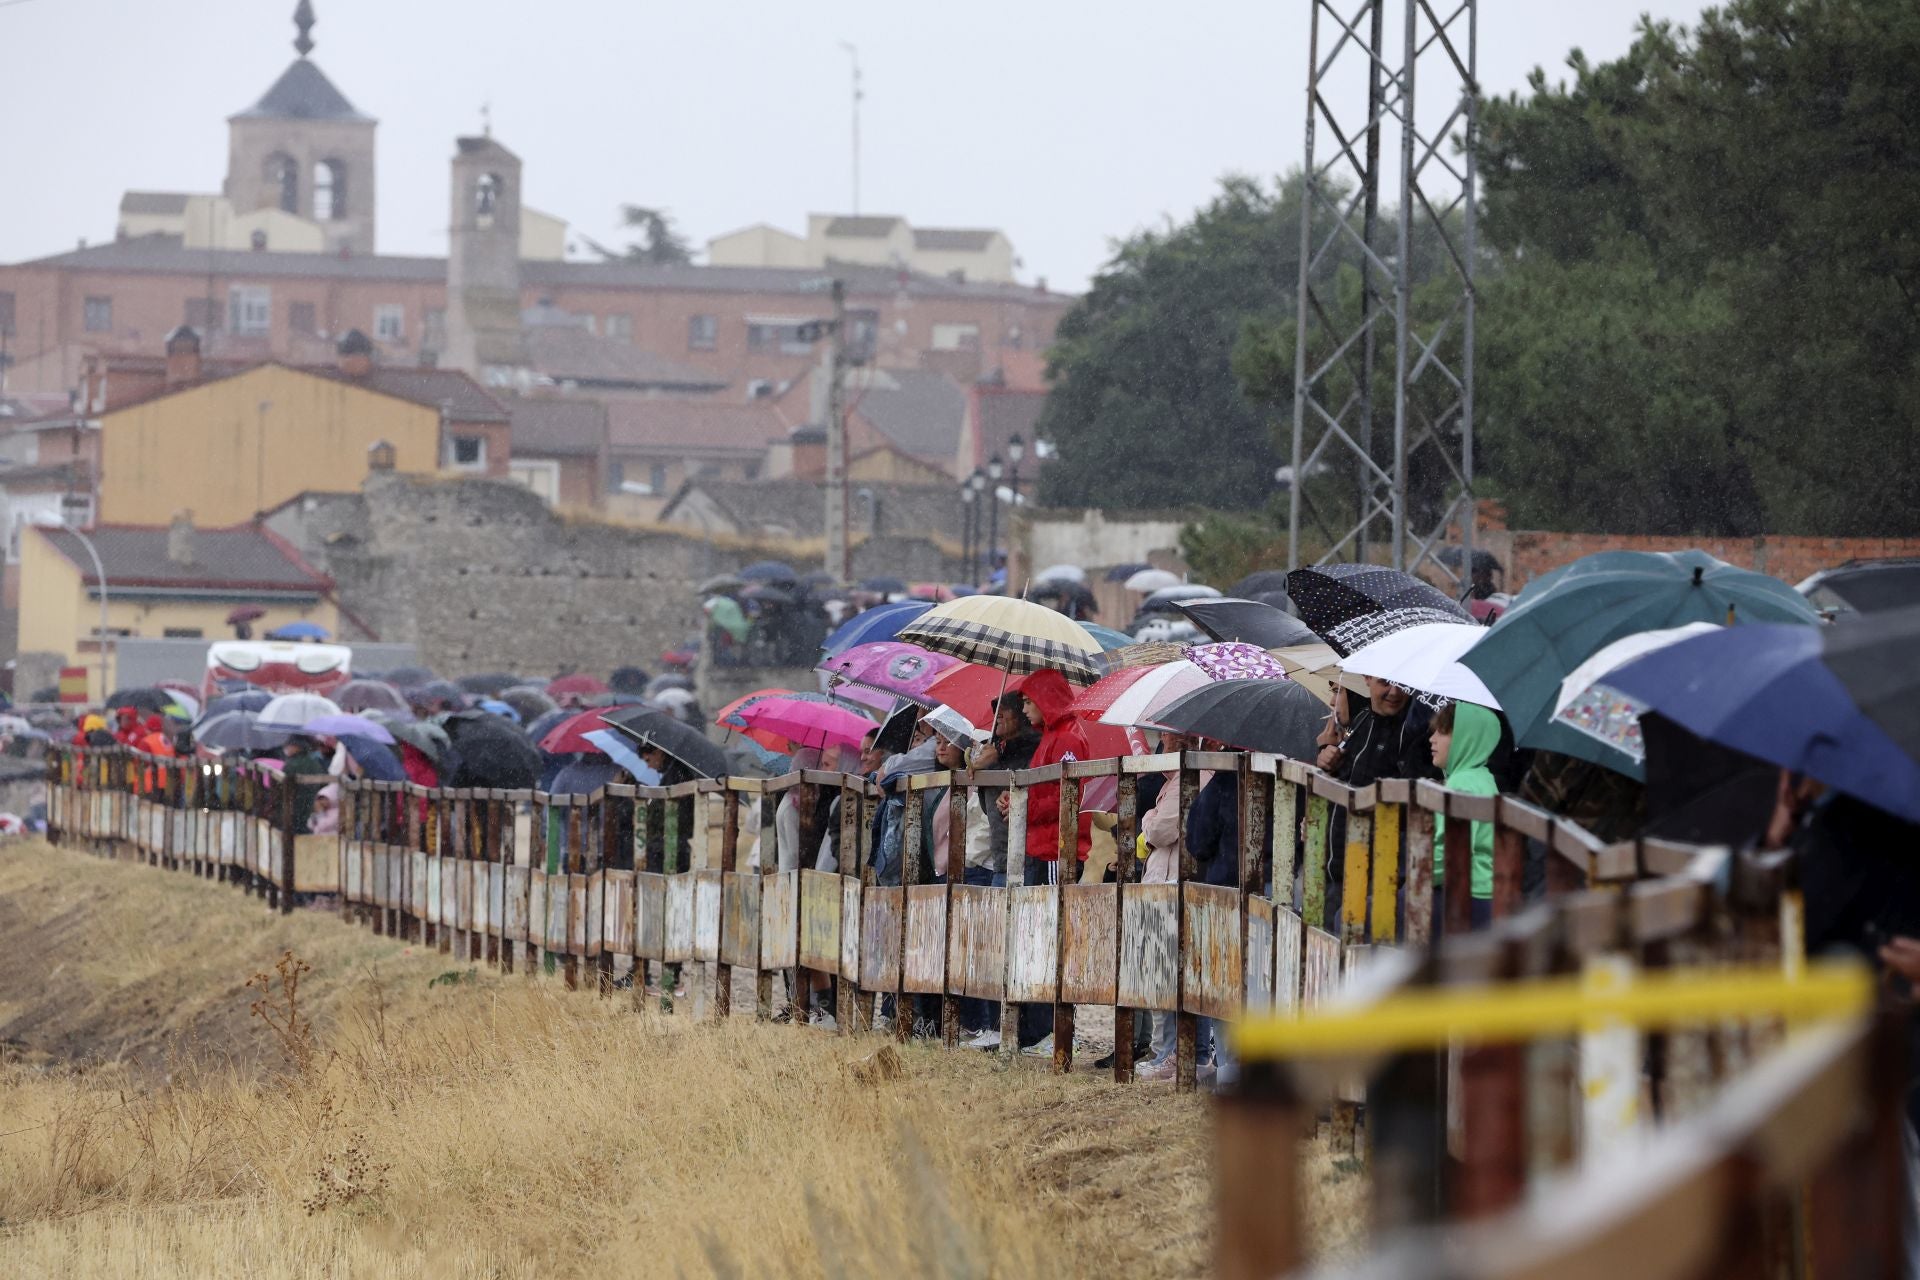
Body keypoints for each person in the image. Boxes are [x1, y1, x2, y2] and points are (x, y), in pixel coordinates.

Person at [1003, 669, 1096, 1055]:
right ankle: (1037, 1029)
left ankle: (1054, 1031)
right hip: (1040, 848)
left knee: (1052, 938)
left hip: (1057, 851)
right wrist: (1016, 799)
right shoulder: (1051, 737)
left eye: (1028, 701)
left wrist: (1023, 803)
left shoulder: (1068, 738)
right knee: (1036, 938)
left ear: (1045, 700)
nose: (1024, 709)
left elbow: (1065, 798)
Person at [1314, 677, 1438, 930]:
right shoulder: (1361, 721)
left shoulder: (1415, 734)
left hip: (1380, 879)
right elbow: (1348, 784)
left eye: (1403, 685)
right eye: (1385, 683)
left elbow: (1412, 805)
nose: (1394, 692)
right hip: (1336, 872)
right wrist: (1327, 760)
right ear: (1368, 679)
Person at [960, 694, 1041, 1051]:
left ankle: (1024, 1029)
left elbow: (1019, 783)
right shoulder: (1000, 747)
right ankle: (998, 1025)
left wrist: (993, 761)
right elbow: (985, 800)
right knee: (995, 946)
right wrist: (982, 766)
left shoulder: (1030, 745)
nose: (1001, 716)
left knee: (1019, 947)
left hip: (1023, 858)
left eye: (1006, 710)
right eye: (997, 711)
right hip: (1001, 858)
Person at [1430, 701, 1501, 929]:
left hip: (1463, 896)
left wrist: (1419, 877)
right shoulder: (1483, 777)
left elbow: (1451, 850)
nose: (1432, 739)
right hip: (1484, 895)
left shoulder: (1462, 783)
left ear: (1465, 739)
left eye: (1442, 732)